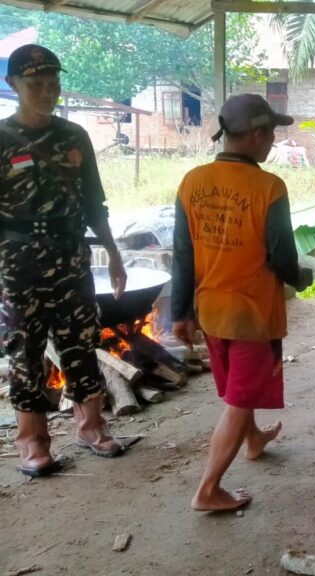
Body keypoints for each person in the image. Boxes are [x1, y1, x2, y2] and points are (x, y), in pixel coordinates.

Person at [171, 94, 312, 512]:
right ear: (255, 134)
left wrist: (180, 312)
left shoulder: (191, 182)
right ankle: (208, 490)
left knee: (238, 391)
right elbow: (283, 257)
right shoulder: (269, 187)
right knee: (239, 401)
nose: (272, 140)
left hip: (211, 312)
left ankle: (252, 440)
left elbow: (182, 254)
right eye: (270, 132)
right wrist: (302, 278)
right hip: (251, 316)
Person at [0, 44, 128, 477]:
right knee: (24, 347)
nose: (48, 91)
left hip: (71, 253)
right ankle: (33, 441)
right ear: (13, 84)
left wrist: (112, 252)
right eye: (37, 84)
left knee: (80, 339)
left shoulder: (75, 136)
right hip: (16, 259)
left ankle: (91, 426)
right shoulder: (0, 139)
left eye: (54, 83)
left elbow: (95, 201)